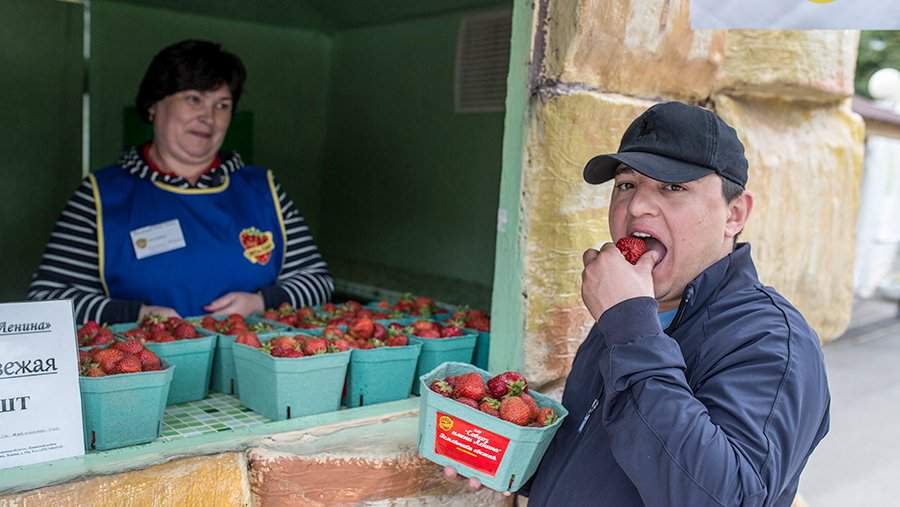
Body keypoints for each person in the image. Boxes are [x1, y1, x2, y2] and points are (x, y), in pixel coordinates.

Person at [449, 101, 830, 506]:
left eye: (673, 187)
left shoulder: (772, 341)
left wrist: (629, 326)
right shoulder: (627, 316)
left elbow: (720, 497)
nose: (636, 207)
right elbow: (606, 464)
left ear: (734, 215)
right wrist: (502, 454)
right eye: (626, 185)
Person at [28, 40, 333, 323]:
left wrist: (261, 302)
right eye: (194, 99)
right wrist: (137, 315)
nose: (208, 117)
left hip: (248, 371)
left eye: (222, 105)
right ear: (153, 106)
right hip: (144, 375)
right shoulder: (100, 194)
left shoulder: (262, 188)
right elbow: (48, 299)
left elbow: (318, 282)